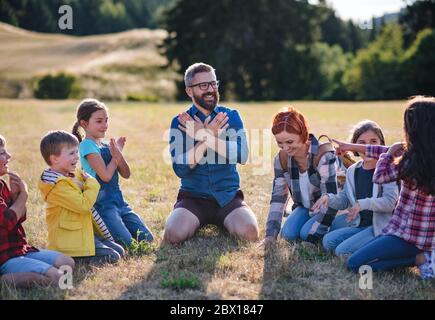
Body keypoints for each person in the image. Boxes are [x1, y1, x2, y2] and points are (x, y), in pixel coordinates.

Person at [337, 96, 435, 279]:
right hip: (424, 236)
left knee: (354, 263)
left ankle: (421, 258)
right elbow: (382, 149)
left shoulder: (409, 161)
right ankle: (425, 255)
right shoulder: (419, 154)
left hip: (406, 237)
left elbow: (380, 176)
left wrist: (389, 154)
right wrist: (350, 146)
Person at [164, 62, 259, 244]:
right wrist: (206, 137)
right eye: (203, 85)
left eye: (214, 83)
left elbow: (242, 155)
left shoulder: (230, 117)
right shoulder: (180, 122)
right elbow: (181, 169)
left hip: (227, 197)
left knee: (249, 233)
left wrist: (204, 135)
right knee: (173, 234)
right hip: (193, 197)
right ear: (189, 91)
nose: (211, 89)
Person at [72, 99, 153, 247]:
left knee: (147, 239)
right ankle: (96, 233)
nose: (104, 125)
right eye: (99, 121)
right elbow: (106, 176)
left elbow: (126, 174)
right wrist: (116, 155)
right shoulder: (86, 145)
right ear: (84, 124)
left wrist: (118, 154)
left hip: (120, 201)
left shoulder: (105, 145)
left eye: (106, 120)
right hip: (103, 205)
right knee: (128, 244)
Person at [312, 120, 398, 256]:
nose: (367, 147)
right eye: (361, 143)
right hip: (360, 224)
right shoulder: (353, 170)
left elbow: (390, 203)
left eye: (373, 141)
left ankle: (385, 246)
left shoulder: (388, 168)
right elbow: (345, 199)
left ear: (381, 143)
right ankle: (369, 245)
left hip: (381, 226)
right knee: (328, 241)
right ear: (354, 146)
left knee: (342, 250)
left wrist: (363, 204)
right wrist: (329, 198)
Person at [39, 130, 124, 264]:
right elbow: (84, 206)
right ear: (55, 159)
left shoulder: (71, 175)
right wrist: (92, 183)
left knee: (120, 250)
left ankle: (86, 251)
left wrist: (85, 183)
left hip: (81, 232)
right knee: (113, 257)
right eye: (71, 153)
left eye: (76, 152)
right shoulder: (57, 185)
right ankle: (71, 258)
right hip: (69, 240)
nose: (77, 157)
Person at [0, 134, 75, 288]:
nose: (9, 155)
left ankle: (26, 275)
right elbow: (7, 222)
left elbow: (18, 219)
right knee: (60, 279)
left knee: (68, 263)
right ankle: (5, 280)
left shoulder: (1, 184)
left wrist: (15, 197)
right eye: (2, 153)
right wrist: (24, 195)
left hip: (20, 249)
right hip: (4, 257)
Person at [264, 107, 341, 245]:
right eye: (280, 143)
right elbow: (278, 197)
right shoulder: (281, 158)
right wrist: (270, 235)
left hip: (334, 207)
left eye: (290, 142)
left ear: (303, 134)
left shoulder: (323, 156)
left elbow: (330, 200)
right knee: (287, 234)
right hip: (306, 206)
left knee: (306, 234)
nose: (285, 148)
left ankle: (339, 225)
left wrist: (312, 238)